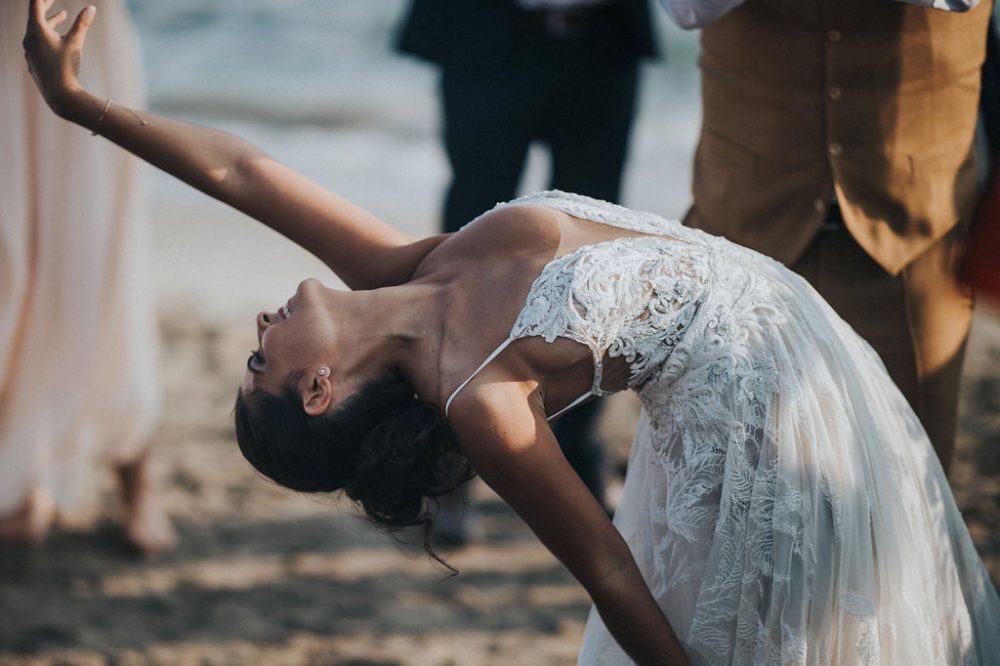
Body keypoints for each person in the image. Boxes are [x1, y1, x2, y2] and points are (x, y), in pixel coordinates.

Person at [23, 2, 1000, 663]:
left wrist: (81, 105)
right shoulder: (479, 398)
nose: (257, 328)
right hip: (766, 416)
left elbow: (242, 173)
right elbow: (608, 568)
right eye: (257, 362)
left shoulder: (410, 271)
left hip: (793, 324)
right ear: (317, 387)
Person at [661, 0, 993, 475]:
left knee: (908, 488)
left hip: (911, 237)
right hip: (744, 225)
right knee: (731, 485)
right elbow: (686, 9)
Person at [395, 0, 660, 524]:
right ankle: (448, 457)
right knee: (463, 255)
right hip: (485, 32)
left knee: (597, 258)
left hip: (601, 37)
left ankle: (579, 454)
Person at [0, 0, 174, 552]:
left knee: (96, 255)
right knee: (6, 257)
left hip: (81, 31)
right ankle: (21, 472)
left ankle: (135, 475)